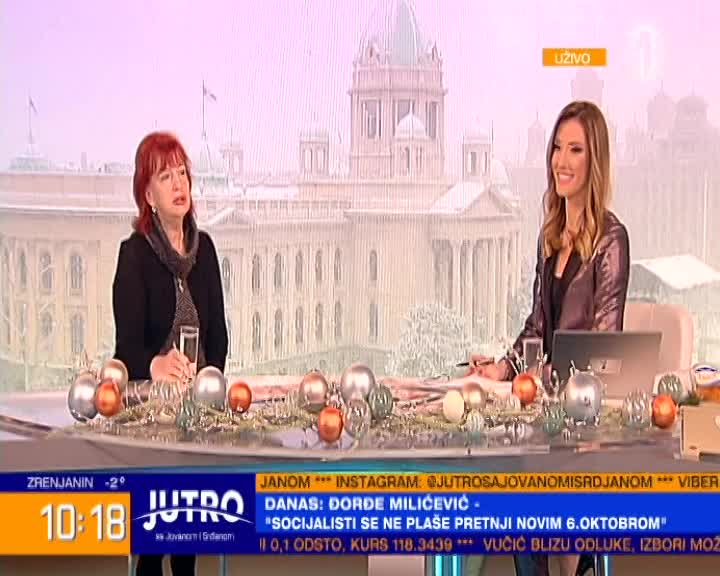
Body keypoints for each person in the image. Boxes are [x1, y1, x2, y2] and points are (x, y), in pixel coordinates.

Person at [467, 101, 630, 576]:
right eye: (557, 148)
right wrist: (502, 367)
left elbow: (606, 344)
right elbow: (537, 327)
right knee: (507, 492)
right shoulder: (550, 237)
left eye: (575, 149)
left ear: (594, 160)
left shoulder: (611, 240)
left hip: (582, 416)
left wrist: (554, 381)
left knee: (533, 501)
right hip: (541, 410)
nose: (561, 160)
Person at [112, 131, 228, 576]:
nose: (179, 184)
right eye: (165, 176)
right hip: (151, 420)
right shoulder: (134, 255)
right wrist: (155, 365)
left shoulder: (206, 249)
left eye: (182, 173)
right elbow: (126, 348)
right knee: (154, 542)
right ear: (148, 195)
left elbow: (218, 337)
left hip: (195, 417)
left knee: (187, 543)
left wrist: (207, 388)